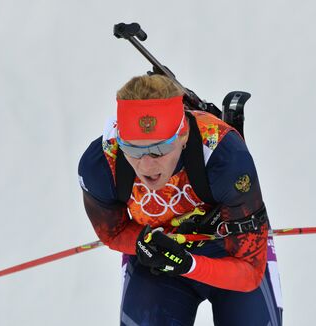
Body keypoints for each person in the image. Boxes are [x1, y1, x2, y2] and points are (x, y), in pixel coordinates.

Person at [78, 74, 282, 325]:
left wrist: (188, 263)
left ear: (183, 135)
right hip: (155, 258)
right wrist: (148, 244)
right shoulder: (101, 163)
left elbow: (249, 272)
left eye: (159, 149)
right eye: (133, 149)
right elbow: (113, 232)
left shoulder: (225, 157)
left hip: (228, 251)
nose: (146, 165)